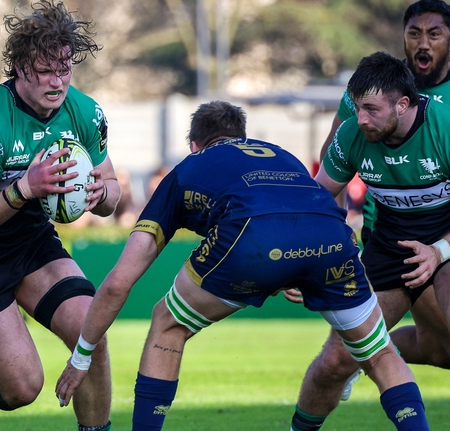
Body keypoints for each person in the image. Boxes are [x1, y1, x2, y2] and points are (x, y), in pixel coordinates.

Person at [54, 100, 430, 431]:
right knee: (378, 351)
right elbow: (320, 206)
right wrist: (298, 263)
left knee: (168, 323)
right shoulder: (279, 152)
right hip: (332, 235)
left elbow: (120, 281)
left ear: (194, 145)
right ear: (244, 137)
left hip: (254, 239)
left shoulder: (188, 167)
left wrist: (82, 355)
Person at [0, 0, 119, 431]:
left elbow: (112, 194)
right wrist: (26, 187)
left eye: (65, 69)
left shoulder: (85, 112)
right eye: (45, 70)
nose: (58, 81)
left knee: (91, 333)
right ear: (19, 67)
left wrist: (100, 192)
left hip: (32, 242)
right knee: (22, 388)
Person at [308, 0, 450, 408]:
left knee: (441, 349)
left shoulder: (442, 120)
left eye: (434, 33)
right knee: (434, 348)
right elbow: (336, 161)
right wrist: (318, 250)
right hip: (388, 234)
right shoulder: (368, 94)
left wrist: (439, 249)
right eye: (414, 33)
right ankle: (354, 359)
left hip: (441, 231)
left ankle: (360, 358)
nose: (423, 42)